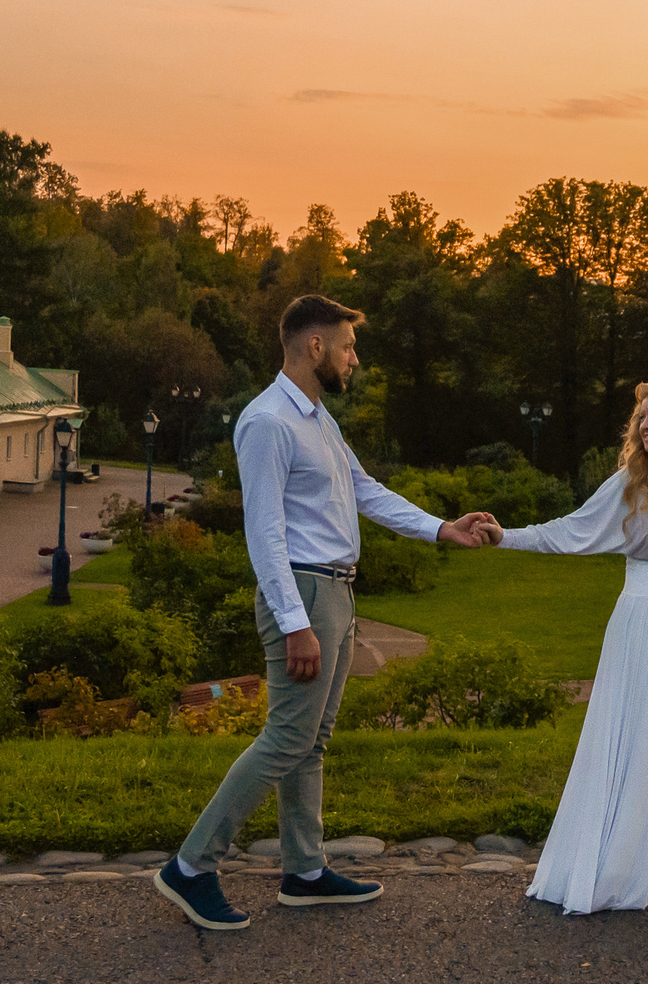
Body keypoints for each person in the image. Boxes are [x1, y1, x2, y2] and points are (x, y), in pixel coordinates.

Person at [153, 294, 500, 933]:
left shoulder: (317, 419)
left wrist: (440, 529)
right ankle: (192, 867)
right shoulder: (267, 423)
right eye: (347, 345)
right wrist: (295, 623)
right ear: (315, 346)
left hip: (335, 592)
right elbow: (264, 533)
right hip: (305, 594)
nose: (354, 358)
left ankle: (305, 872)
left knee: (311, 741)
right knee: (286, 737)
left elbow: (363, 489)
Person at [498, 376, 648, 915]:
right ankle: (618, 863)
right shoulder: (629, 484)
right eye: (641, 417)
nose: (645, 424)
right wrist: (507, 536)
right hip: (644, 626)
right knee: (641, 737)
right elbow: (570, 531)